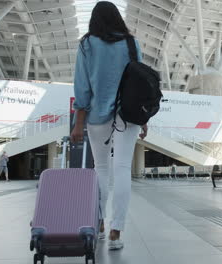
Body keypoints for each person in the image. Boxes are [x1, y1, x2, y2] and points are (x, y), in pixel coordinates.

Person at [70, 1, 148, 250]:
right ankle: (116, 231)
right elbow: (142, 81)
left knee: (101, 169)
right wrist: (144, 119)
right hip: (129, 113)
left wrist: (78, 122)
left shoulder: (87, 44)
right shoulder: (131, 43)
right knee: (123, 168)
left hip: (97, 115)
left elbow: (82, 85)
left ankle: (100, 225)